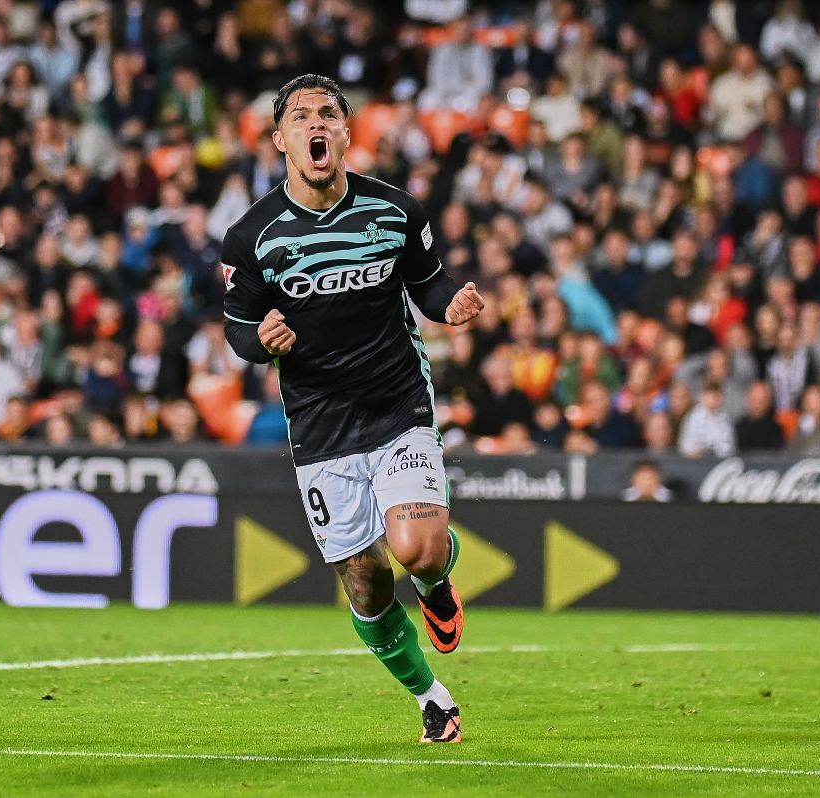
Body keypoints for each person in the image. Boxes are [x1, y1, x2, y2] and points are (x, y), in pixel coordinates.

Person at [222, 75, 483, 744]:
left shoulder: (397, 212)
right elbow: (239, 329)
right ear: (281, 138)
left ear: (344, 133)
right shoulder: (253, 237)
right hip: (320, 425)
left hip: (397, 402)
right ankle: (431, 697)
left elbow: (429, 286)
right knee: (366, 586)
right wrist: (261, 342)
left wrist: (450, 304)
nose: (317, 124)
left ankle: (436, 582)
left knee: (416, 550)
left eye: (329, 114)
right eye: (302, 116)